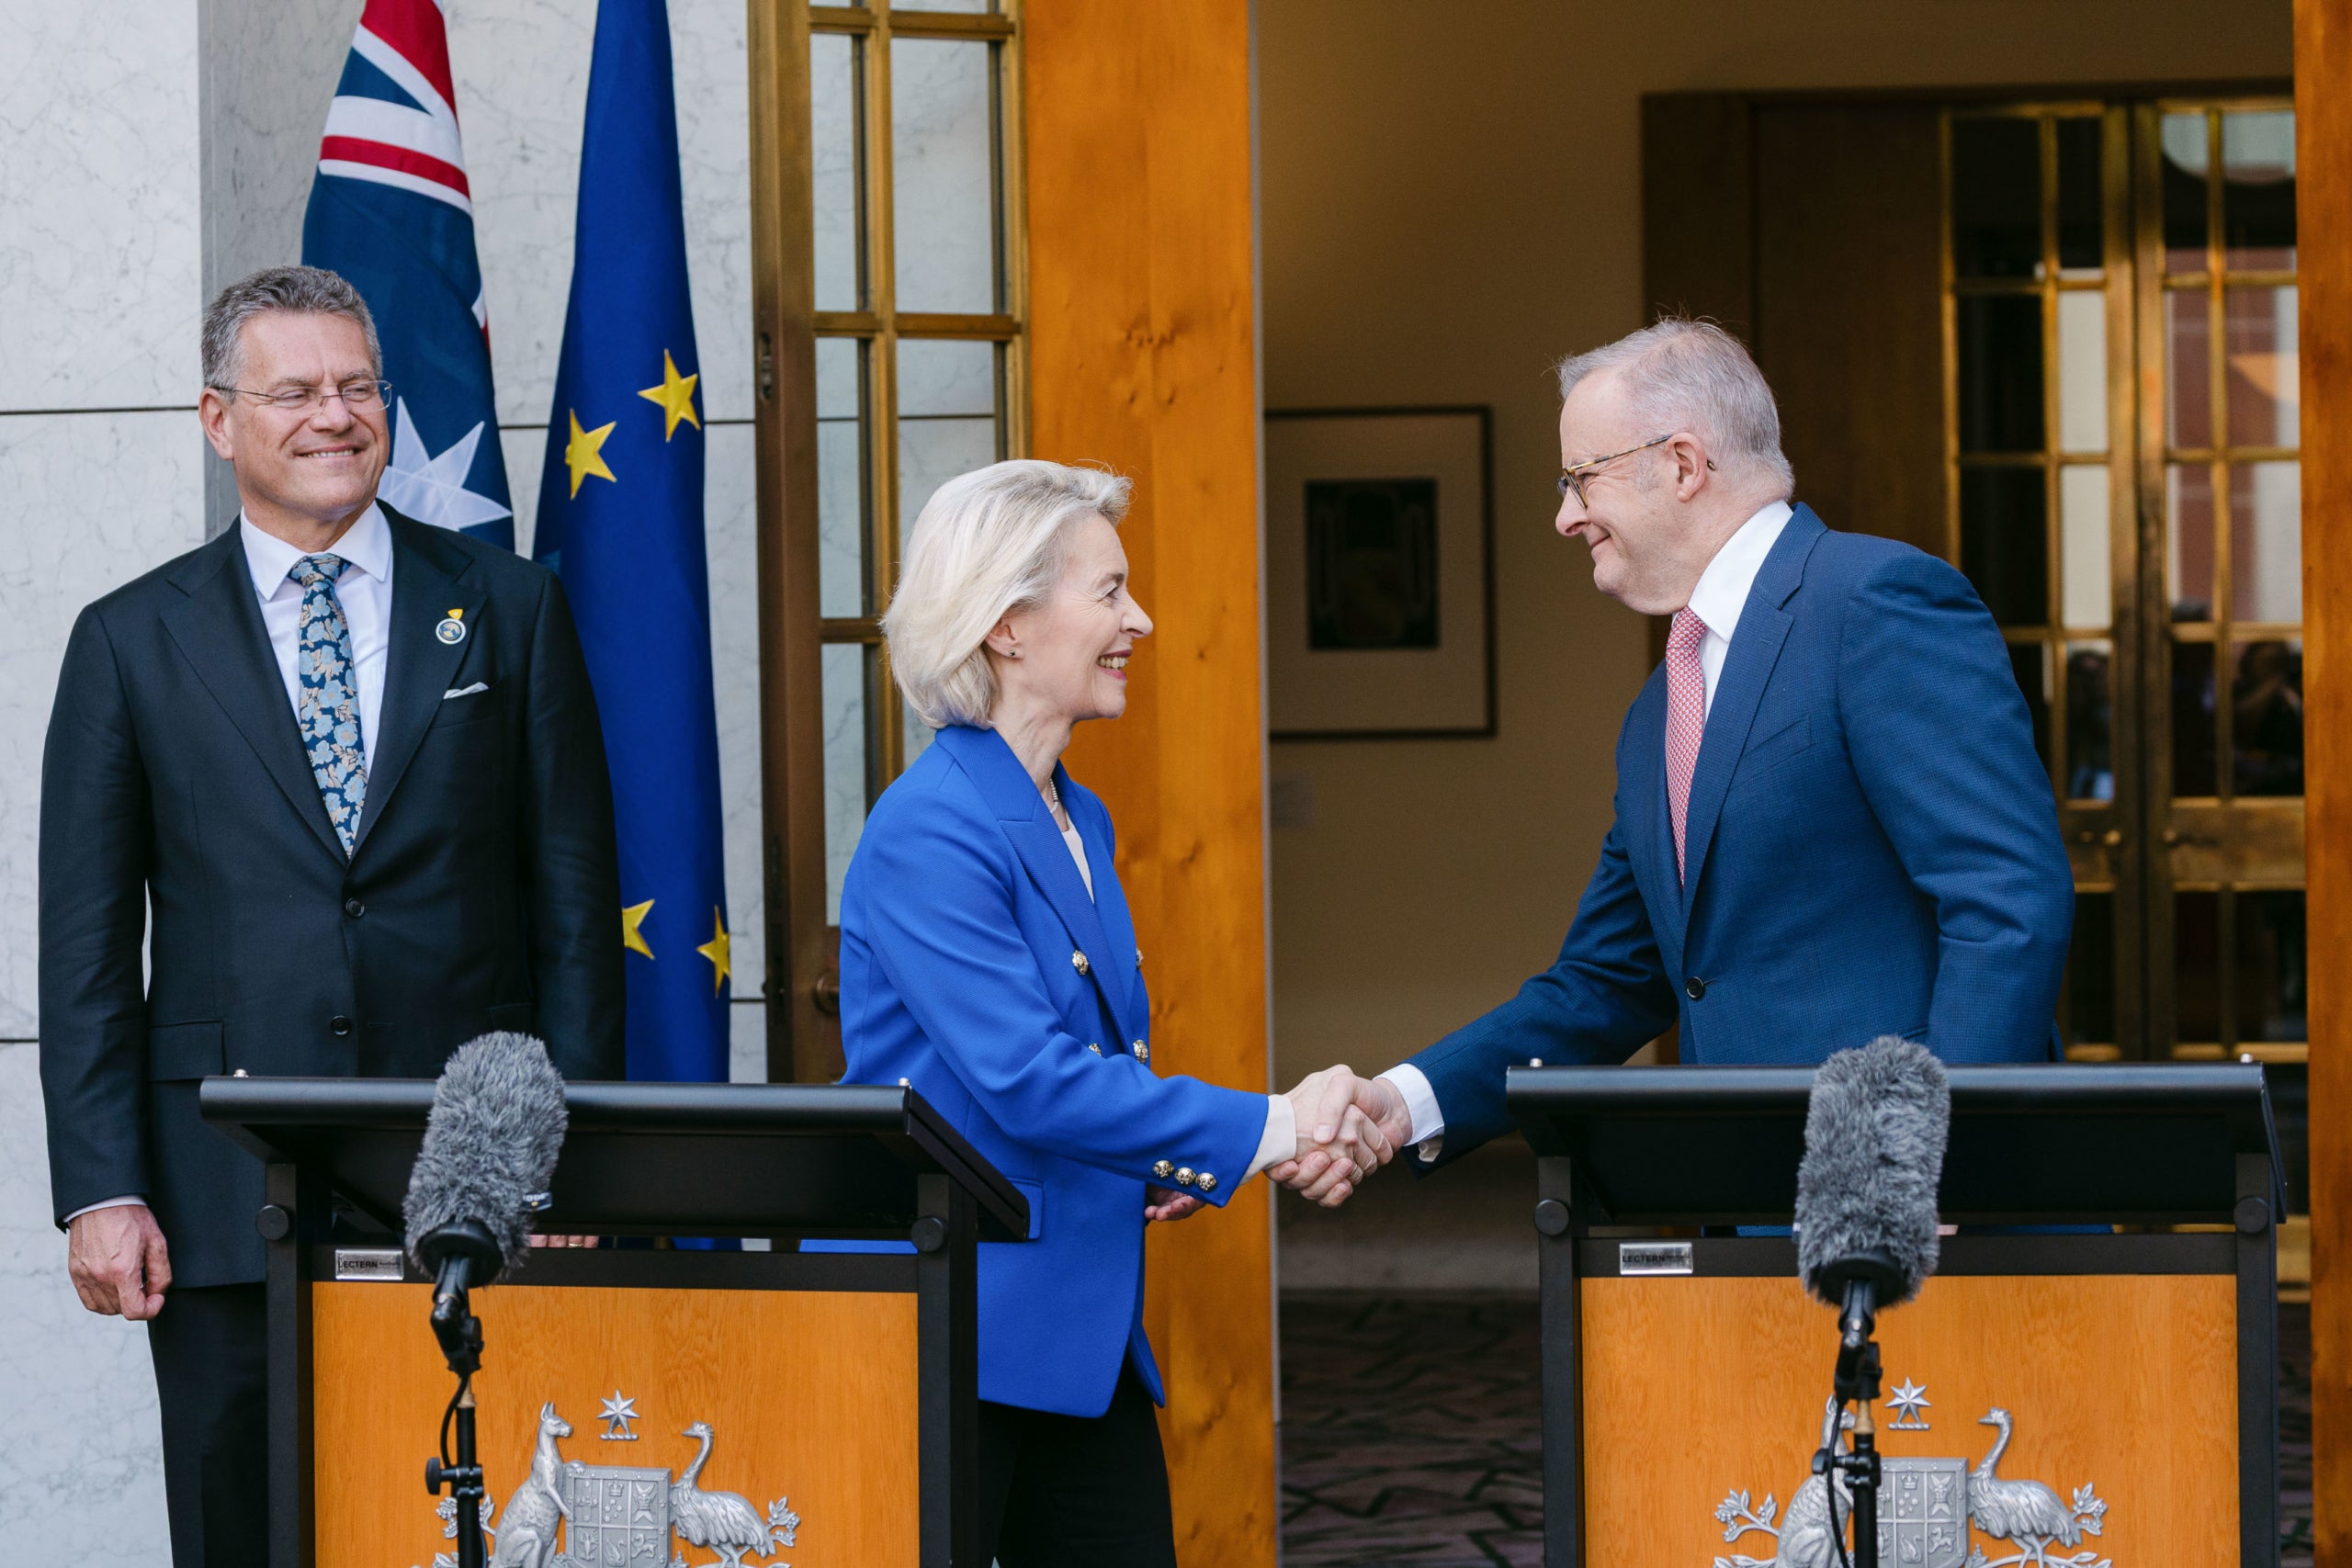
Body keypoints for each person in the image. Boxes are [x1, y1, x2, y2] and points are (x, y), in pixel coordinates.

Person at [38, 265, 625, 1564]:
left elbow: (575, 903)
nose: (334, 413)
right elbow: (83, 947)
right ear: (217, 419)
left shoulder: (509, 608)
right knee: (244, 1529)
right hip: (219, 1190)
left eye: (358, 385)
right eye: (294, 388)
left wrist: (569, 1148)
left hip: (470, 1183)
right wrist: (103, 1186)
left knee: (464, 1530)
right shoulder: (128, 640)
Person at [1314, 318, 2074, 1167]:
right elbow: (1605, 982)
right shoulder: (1656, 715)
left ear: (1682, 463)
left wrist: (1936, 1157)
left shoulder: (1872, 602)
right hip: (1748, 1223)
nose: (1565, 517)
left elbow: (2005, 899)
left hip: (1919, 1224)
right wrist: (1403, 1101)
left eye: (1579, 480)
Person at [823, 458, 1388, 1567]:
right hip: (964, 1338)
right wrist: (1269, 1129)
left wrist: (1149, 1165)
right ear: (1006, 626)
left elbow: (1093, 1060)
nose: (1141, 618)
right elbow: (1029, 1081)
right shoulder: (930, 828)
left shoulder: (1075, 811)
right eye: (1109, 590)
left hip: (1074, 1340)